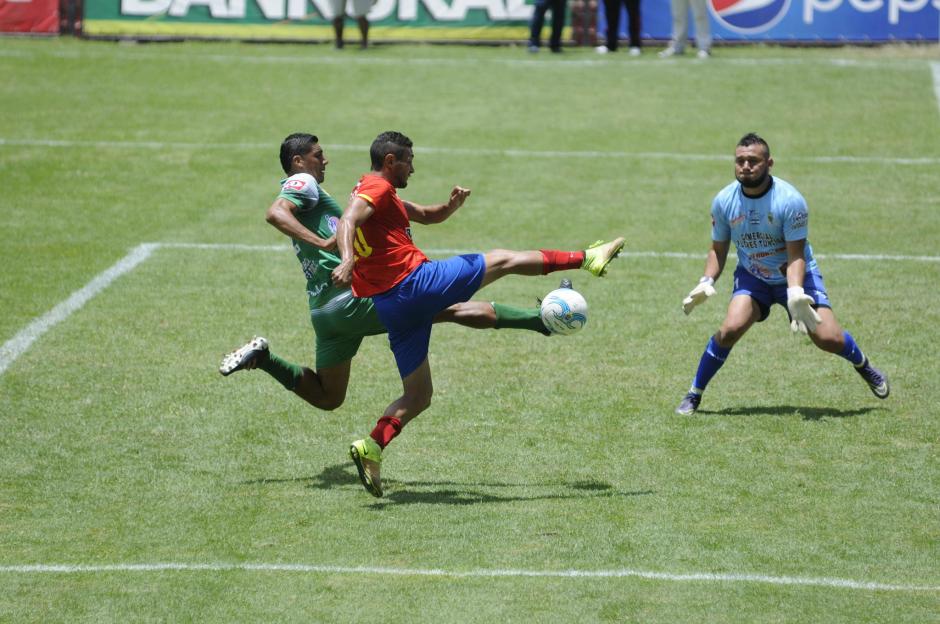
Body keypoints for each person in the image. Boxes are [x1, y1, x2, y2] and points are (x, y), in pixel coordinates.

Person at [332, 130, 625, 497]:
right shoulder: (374, 190)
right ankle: (587, 259)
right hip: (414, 284)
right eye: (409, 161)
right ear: (390, 161)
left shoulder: (375, 191)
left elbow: (425, 214)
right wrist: (346, 260)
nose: (413, 168)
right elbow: (347, 221)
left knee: (418, 395)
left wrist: (450, 207)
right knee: (501, 259)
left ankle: (372, 446)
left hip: (391, 306)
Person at [219, 133, 555, 412]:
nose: (325, 160)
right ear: (299, 161)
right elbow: (275, 212)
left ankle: (263, 358)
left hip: (324, 312)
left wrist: (448, 208)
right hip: (352, 297)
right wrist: (322, 244)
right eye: (318, 155)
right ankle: (539, 319)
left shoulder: (342, 199)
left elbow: (419, 212)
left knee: (328, 396)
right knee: (442, 306)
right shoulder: (302, 181)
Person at [676, 132, 890, 416]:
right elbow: (718, 248)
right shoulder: (724, 201)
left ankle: (864, 366)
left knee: (828, 339)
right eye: (740, 160)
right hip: (754, 277)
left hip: (795, 274)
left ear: (769, 163)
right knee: (729, 330)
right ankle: (694, 394)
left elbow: (796, 255)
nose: (746, 166)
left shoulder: (790, 201)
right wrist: (706, 281)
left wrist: (795, 293)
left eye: (753, 160)